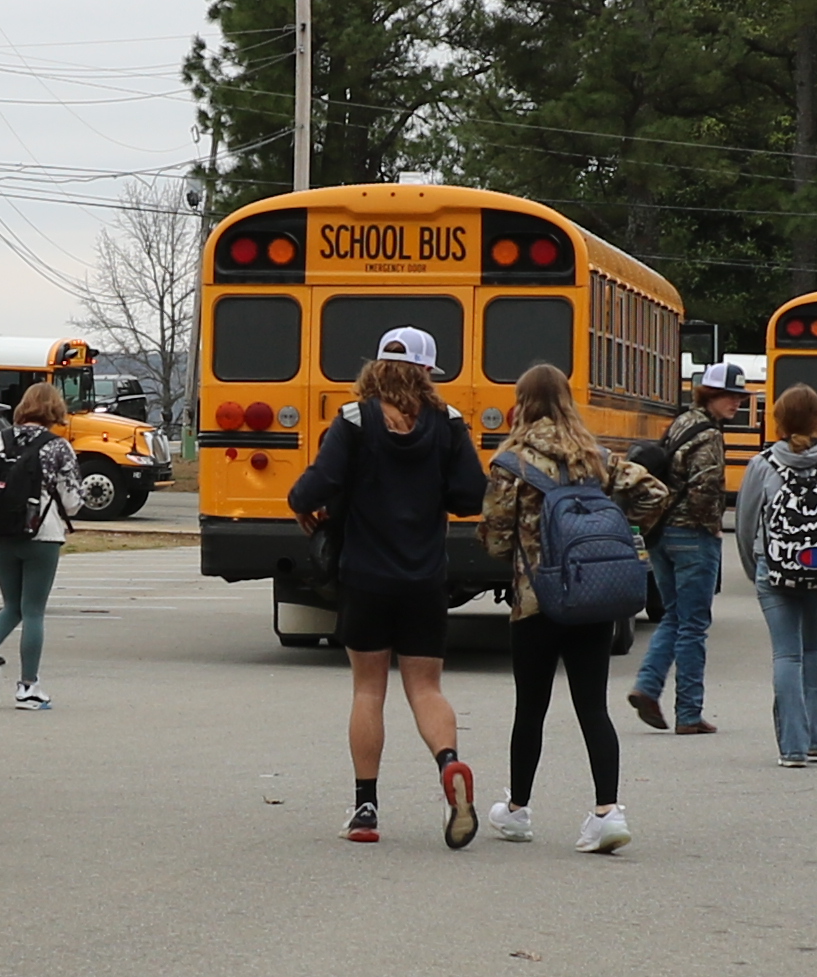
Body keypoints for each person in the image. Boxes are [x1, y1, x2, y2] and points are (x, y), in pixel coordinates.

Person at [288, 327, 487, 845]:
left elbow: (310, 489)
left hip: (365, 577)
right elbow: (472, 495)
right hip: (424, 577)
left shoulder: (355, 420)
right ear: (427, 372)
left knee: (368, 689)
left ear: (375, 368)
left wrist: (320, 504)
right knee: (426, 688)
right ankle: (449, 764)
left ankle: (366, 810)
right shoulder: (449, 424)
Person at [480, 361, 672, 851]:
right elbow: (656, 492)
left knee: (531, 709)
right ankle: (607, 811)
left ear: (521, 404)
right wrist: (620, 536)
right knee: (593, 707)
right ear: (567, 402)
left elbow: (496, 537)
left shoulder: (512, 464)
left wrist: (526, 548)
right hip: (592, 596)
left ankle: (518, 811)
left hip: (535, 601)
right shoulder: (597, 458)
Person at [742, 383, 817, 765]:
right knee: (815, 648)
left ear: (778, 420)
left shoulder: (762, 464)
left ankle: (792, 748)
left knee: (787, 655)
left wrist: (756, 567)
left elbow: (746, 524)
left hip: (775, 569)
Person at [629, 369, 740, 734]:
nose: (736, 402)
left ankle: (647, 686)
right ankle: (689, 712)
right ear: (709, 395)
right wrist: (711, 528)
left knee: (675, 616)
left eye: (739, 397)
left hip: (661, 533)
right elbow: (705, 489)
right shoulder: (709, 436)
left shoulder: (680, 423)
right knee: (694, 624)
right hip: (693, 536)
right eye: (729, 395)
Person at [0, 380, 87, 708]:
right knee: (33, 611)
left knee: (11, 604)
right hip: (41, 534)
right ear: (55, 409)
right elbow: (72, 502)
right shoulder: (57, 447)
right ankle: (28, 686)